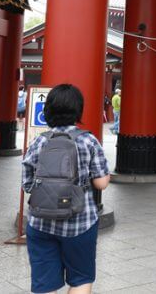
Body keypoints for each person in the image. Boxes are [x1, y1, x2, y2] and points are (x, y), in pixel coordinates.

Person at [22, 84, 110, 294]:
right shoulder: (88, 140)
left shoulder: (39, 141)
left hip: (41, 222)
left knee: (45, 284)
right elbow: (101, 183)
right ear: (78, 110)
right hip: (80, 222)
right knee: (80, 279)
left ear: (48, 110)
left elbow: (27, 184)